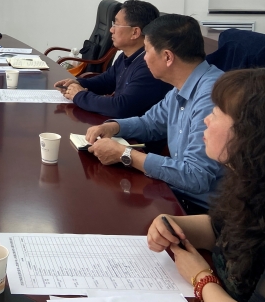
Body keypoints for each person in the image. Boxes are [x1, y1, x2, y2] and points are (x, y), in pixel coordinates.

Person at [147, 69, 265, 302]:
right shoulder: (258, 179)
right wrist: (171, 224)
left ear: (254, 135)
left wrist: (201, 277)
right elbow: (221, 228)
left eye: (216, 112)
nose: (206, 120)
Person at [84, 14, 223, 212]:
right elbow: (150, 123)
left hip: (204, 212)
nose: (144, 58)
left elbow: (196, 177)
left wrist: (125, 154)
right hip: (176, 193)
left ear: (167, 57)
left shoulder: (211, 96)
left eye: (147, 50)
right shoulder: (183, 85)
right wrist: (114, 126)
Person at [54, 0, 171, 118]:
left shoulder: (149, 65)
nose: (111, 29)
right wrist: (77, 83)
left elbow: (121, 107)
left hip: (134, 128)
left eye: (116, 24)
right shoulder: (128, 55)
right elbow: (106, 81)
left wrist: (79, 95)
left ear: (135, 32)